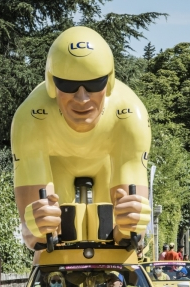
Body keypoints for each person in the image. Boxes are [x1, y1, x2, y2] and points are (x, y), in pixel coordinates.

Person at [12, 26, 151, 256]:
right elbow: (31, 234)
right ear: (51, 83)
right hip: (57, 164)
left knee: (123, 240)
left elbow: (131, 236)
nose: (82, 98)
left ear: (109, 82)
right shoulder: (29, 117)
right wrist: (36, 230)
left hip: (108, 162)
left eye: (95, 84)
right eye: (67, 85)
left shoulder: (130, 116)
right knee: (50, 242)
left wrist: (130, 228)